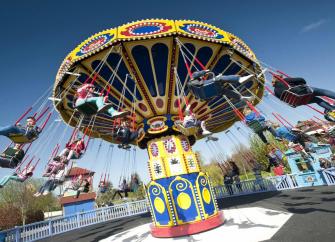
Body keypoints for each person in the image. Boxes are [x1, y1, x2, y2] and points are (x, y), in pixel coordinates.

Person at [187, 70, 255, 101]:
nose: (202, 78)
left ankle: (240, 97)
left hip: (205, 95)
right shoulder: (192, 80)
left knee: (223, 91)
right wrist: (205, 71)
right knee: (220, 78)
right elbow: (196, 75)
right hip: (203, 88)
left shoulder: (193, 89)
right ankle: (239, 79)